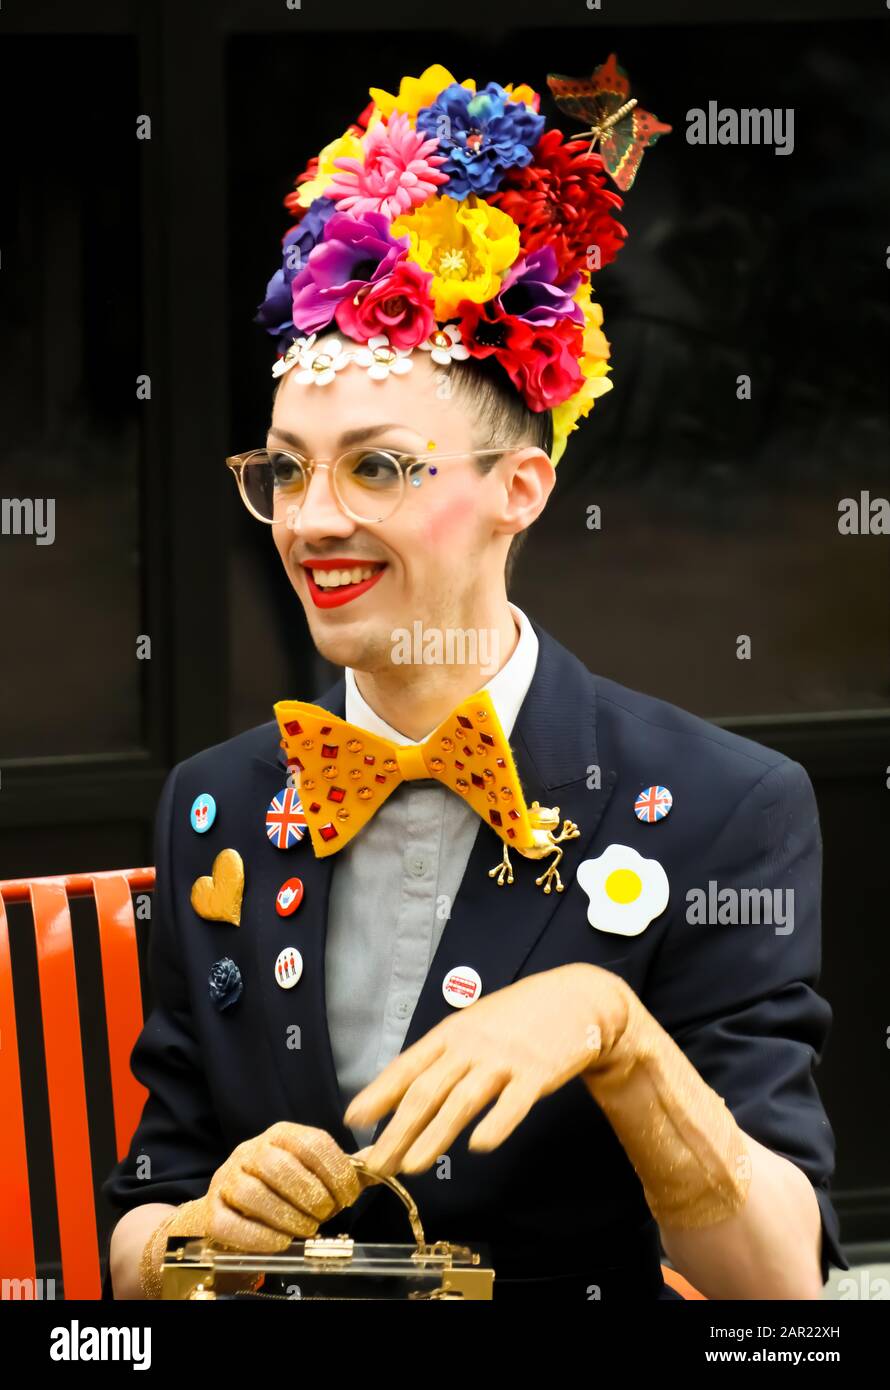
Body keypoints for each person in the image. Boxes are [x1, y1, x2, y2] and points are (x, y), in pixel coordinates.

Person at [104, 62, 845, 1301]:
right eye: (286, 471)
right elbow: (140, 1228)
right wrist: (201, 1240)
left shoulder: (724, 807)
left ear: (521, 489)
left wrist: (613, 1032)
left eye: (378, 469)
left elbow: (779, 1285)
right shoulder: (214, 805)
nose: (312, 521)